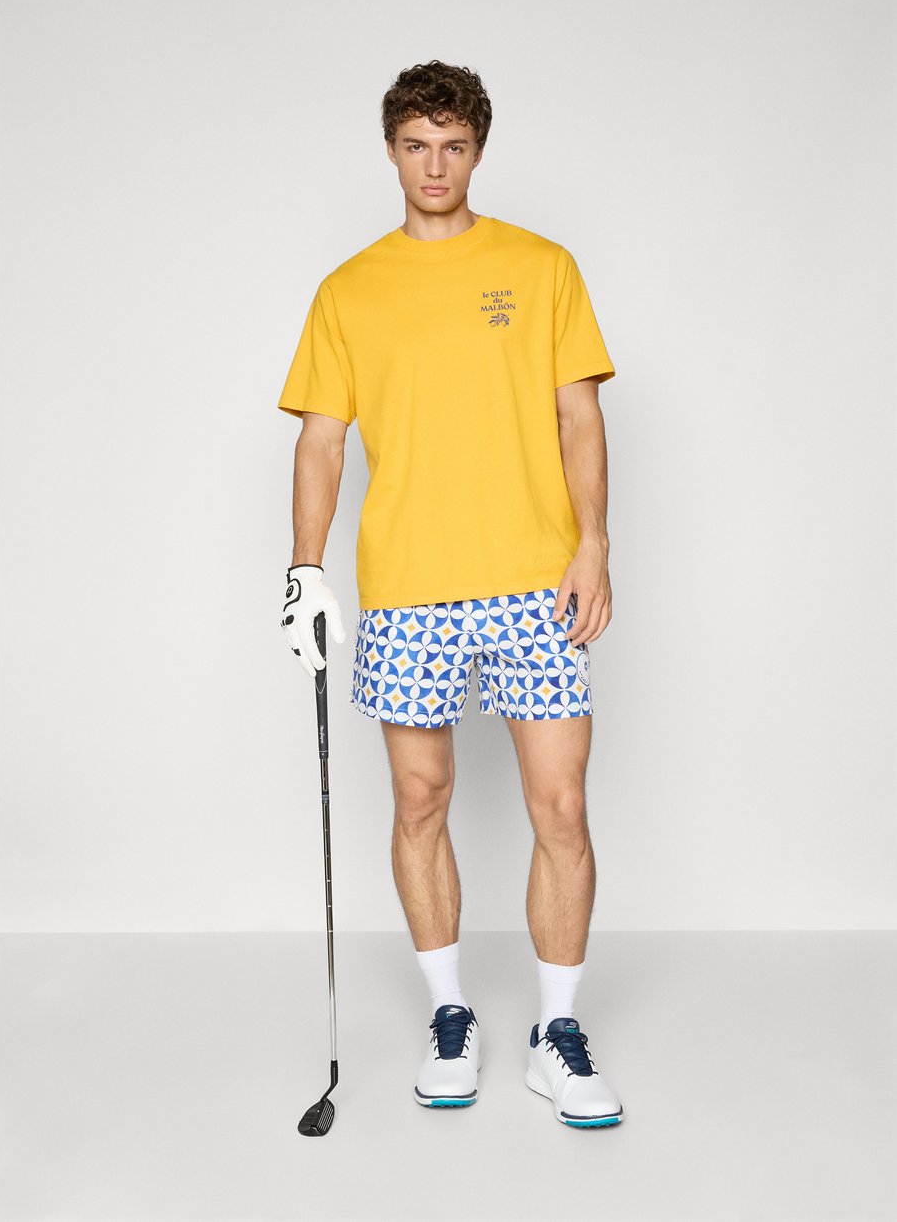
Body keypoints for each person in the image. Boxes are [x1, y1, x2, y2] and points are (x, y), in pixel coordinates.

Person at [277, 60, 623, 1128]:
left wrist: (595, 544)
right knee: (420, 800)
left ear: (478, 151)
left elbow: (578, 416)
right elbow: (321, 440)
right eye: (417, 146)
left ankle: (557, 1032)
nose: (435, 165)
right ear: (391, 150)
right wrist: (304, 570)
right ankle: (449, 1015)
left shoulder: (543, 267)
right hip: (409, 588)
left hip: (533, 580)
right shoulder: (349, 289)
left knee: (560, 806)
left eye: (454, 146)